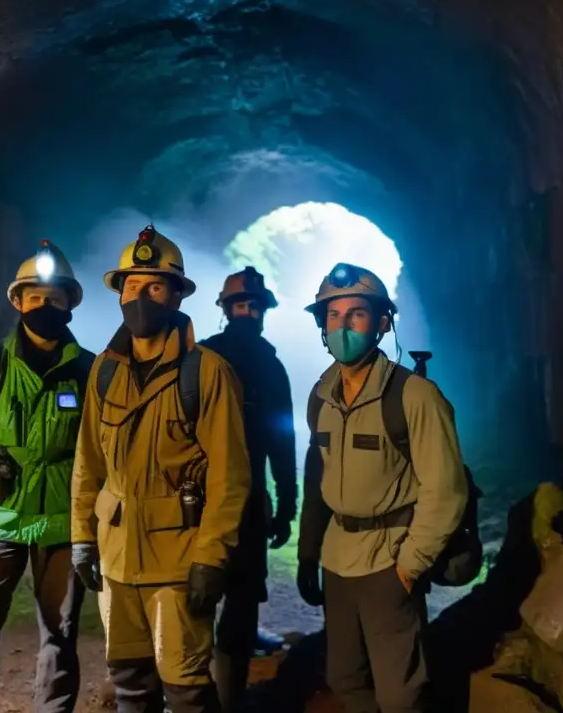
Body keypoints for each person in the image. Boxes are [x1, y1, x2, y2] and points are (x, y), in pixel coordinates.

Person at [70, 224, 251, 713]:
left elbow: (230, 476)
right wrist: (82, 536)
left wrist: (211, 557)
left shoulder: (206, 371)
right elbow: (88, 460)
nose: (140, 297)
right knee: (129, 680)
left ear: (175, 296)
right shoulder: (104, 370)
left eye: (154, 287)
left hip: (177, 558)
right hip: (116, 558)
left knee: (187, 687)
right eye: (132, 286)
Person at [296, 263, 468, 713]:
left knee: (400, 694)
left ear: (382, 323)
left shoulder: (413, 396)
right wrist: (308, 553)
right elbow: (316, 479)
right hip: (338, 560)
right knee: (345, 678)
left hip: (389, 559)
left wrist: (410, 565)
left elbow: (445, 489)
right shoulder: (321, 395)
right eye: (333, 316)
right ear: (321, 324)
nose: (343, 325)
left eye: (356, 314)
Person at [0, 240, 96, 713]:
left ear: (69, 302)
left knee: (60, 630)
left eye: (54, 297)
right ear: (17, 301)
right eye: (35, 297)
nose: (45, 305)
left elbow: (99, 455)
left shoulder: (89, 372)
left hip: (61, 525)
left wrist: (91, 524)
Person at [199, 266, 297, 712]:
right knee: (233, 603)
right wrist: (287, 498)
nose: (249, 313)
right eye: (245, 306)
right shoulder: (268, 366)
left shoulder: (199, 358)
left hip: (206, 500)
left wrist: (286, 497)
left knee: (215, 602)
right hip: (237, 499)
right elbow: (282, 437)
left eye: (252, 307)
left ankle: (208, 697)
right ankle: (222, 698)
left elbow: (281, 436)